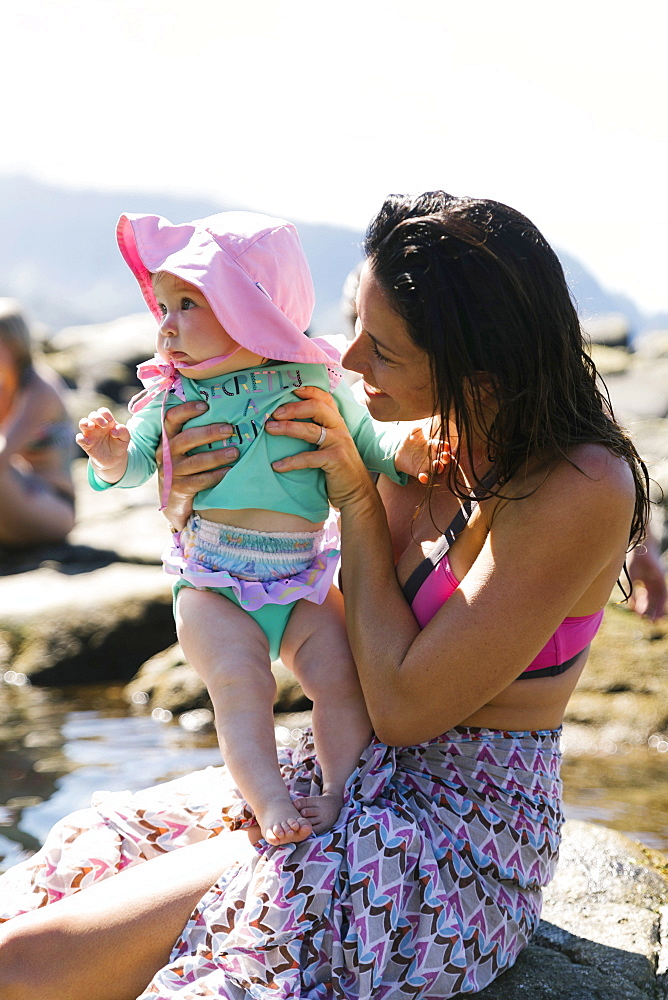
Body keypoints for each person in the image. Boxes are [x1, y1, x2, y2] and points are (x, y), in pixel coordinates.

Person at [0, 192, 651, 1000]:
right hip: (338, 770)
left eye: (381, 348)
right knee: (70, 869)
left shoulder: (575, 485)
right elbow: (256, 543)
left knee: (25, 965)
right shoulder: (418, 439)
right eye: (350, 324)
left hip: (451, 837)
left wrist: (356, 498)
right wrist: (182, 500)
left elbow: (407, 709)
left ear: (476, 371)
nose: (345, 361)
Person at [76, 210, 428, 847]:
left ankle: (338, 792)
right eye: (162, 305)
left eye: (188, 303)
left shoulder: (313, 379)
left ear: (254, 305)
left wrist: (400, 450)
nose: (165, 325)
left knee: (340, 679)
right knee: (243, 687)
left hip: (299, 579)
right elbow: (134, 467)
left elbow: (365, 439)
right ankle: (267, 801)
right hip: (213, 582)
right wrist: (109, 456)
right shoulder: (174, 397)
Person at [0, 299, 75, 551]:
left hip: (53, 505)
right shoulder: (4, 386)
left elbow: (2, 456)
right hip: (18, 495)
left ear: (14, 344)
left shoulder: (40, 388)